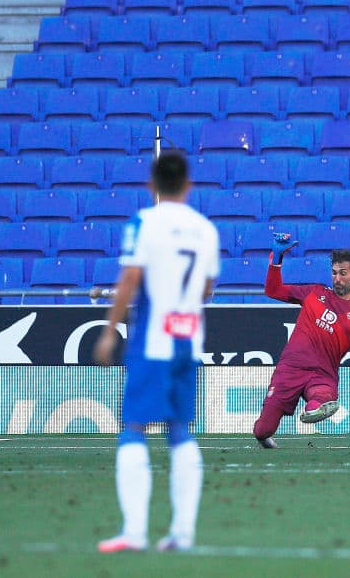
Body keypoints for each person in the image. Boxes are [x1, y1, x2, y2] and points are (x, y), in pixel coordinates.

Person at [92, 152, 219, 553]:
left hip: (152, 340)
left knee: (134, 428)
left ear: (151, 184)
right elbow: (206, 290)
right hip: (188, 338)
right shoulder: (205, 229)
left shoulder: (143, 223)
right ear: (188, 185)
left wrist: (110, 331)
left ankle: (134, 531)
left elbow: (131, 277)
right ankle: (182, 533)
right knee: (180, 430)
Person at [252, 235, 350, 449]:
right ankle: (271, 431)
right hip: (290, 369)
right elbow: (273, 290)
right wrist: (277, 257)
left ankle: (314, 408)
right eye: (334, 273)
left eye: (343, 274)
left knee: (322, 397)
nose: (337, 279)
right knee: (262, 430)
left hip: (322, 375)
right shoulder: (314, 293)